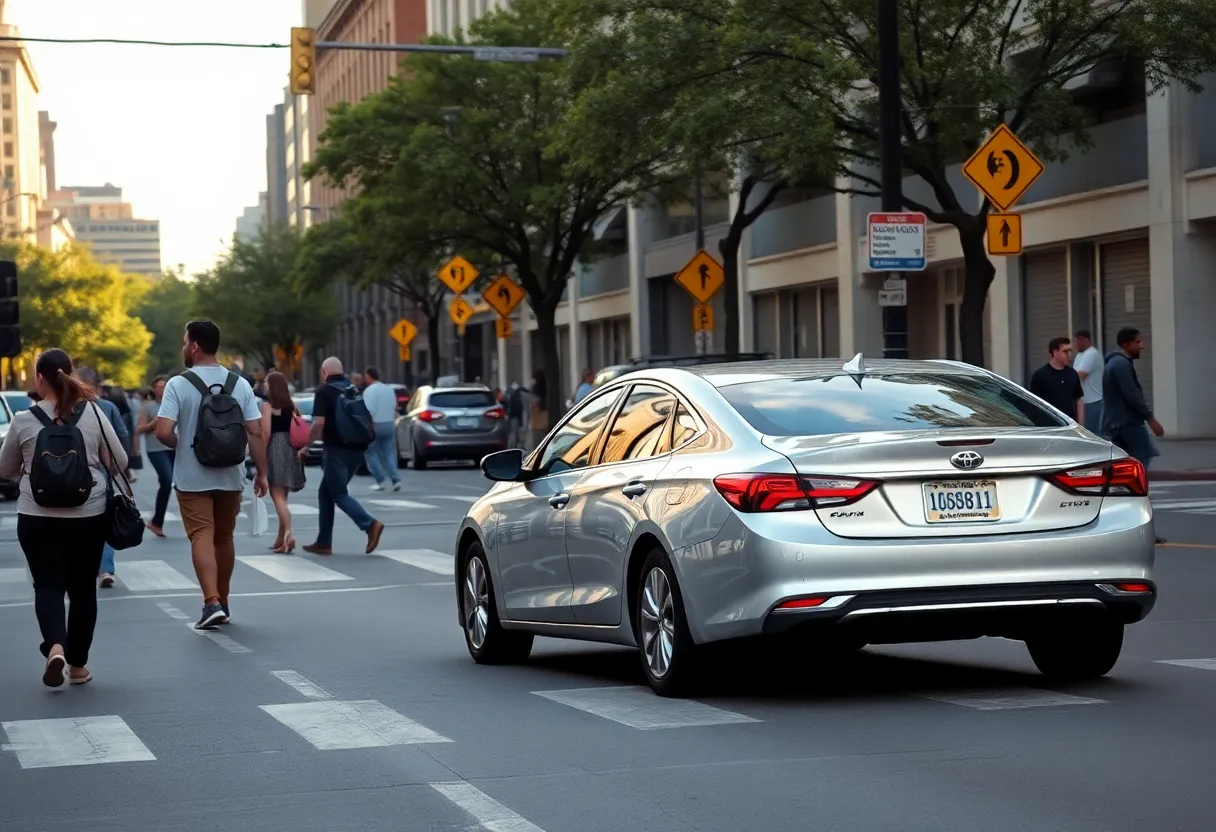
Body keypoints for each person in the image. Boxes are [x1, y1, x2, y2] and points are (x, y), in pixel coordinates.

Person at [0, 348, 127, 687]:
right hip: (88, 513)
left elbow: (6, 470)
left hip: (37, 514)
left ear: (39, 378)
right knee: (84, 589)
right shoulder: (94, 414)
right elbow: (121, 461)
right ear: (70, 374)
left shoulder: (24, 419)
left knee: (48, 585)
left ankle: (55, 645)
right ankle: (78, 666)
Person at [155, 321, 268, 630]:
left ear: (194, 346)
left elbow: (163, 431)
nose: (183, 347)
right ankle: (225, 601)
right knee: (224, 536)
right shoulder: (240, 384)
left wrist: (183, 445)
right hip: (231, 473)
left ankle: (210, 602)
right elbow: (255, 431)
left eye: (184, 341)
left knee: (201, 533)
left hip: (193, 476)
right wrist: (262, 473)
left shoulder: (178, 384)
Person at [301, 357, 384, 556]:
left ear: (324, 372)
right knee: (325, 492)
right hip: (357, 450)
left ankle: (370, 524)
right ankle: (323, 542)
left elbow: (318, 423)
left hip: (336, 449)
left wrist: (306, 445)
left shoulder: (324, 391)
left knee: (338, 493)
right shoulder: (353, 389)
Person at [77, 366, 130, 588]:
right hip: (103, 471)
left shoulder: (65, 408)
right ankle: (105, 569)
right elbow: (123, 434)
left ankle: (84, 567)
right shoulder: (106, 407)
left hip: (73, 473)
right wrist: (119, 468)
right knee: (104, 518)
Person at [261, 371, 306, 553]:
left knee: (277, 496)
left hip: (276, 448)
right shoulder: (291, 405)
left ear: (273, 386)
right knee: (283, 497)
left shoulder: (268, 406)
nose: (264, 385)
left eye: (266, 383)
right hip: (291, 449)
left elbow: (266, 433)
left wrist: (260, 458)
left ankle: (288, 534)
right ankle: (280, 540)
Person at [137, 375, 174, 538]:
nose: (162, 389)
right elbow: (139, 429)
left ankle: (157, 522)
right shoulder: (149, 407)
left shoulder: (174, 404)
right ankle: (156, 521)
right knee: (166, 480)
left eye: (165, 385)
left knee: (181, 485)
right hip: (156, 450)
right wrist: (153, 425)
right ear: (153, 389)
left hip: (175, 447)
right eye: (158, 386)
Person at [360, 366, 401, 492]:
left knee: (370, 452)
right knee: (388, 453)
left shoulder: (369, 391)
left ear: (368, 376)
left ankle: (380, 481)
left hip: (376, 424)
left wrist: (369, 428)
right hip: (389, 423)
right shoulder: (389, 390)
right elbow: (395, 407)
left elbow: (369, 411)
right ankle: (395, 479)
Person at [1028, 336, 1084, 423]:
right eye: (1065, 351)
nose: (1069, 355)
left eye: (1070, 351)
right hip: (1048, 425)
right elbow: (1033, 403)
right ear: (1055, 352)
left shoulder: (1072, 373)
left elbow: (1078, 399)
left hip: (1069, 424)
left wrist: (1080, 424)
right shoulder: (1040, 375)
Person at [1073, 329, 1104, 433]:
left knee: (1091, 433)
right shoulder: (1079, 355)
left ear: (1086, 340)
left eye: (1078, 340)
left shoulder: (1091, 354)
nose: (1076, 344)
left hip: (1092, 401)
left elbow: (1080, 376)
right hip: (1082, 401)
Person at [528, 369, 549, 450]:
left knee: (537, 445)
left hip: (537, 422)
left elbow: (533, 406)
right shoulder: (547, 389)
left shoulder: (535, 391)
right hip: (546, 420)